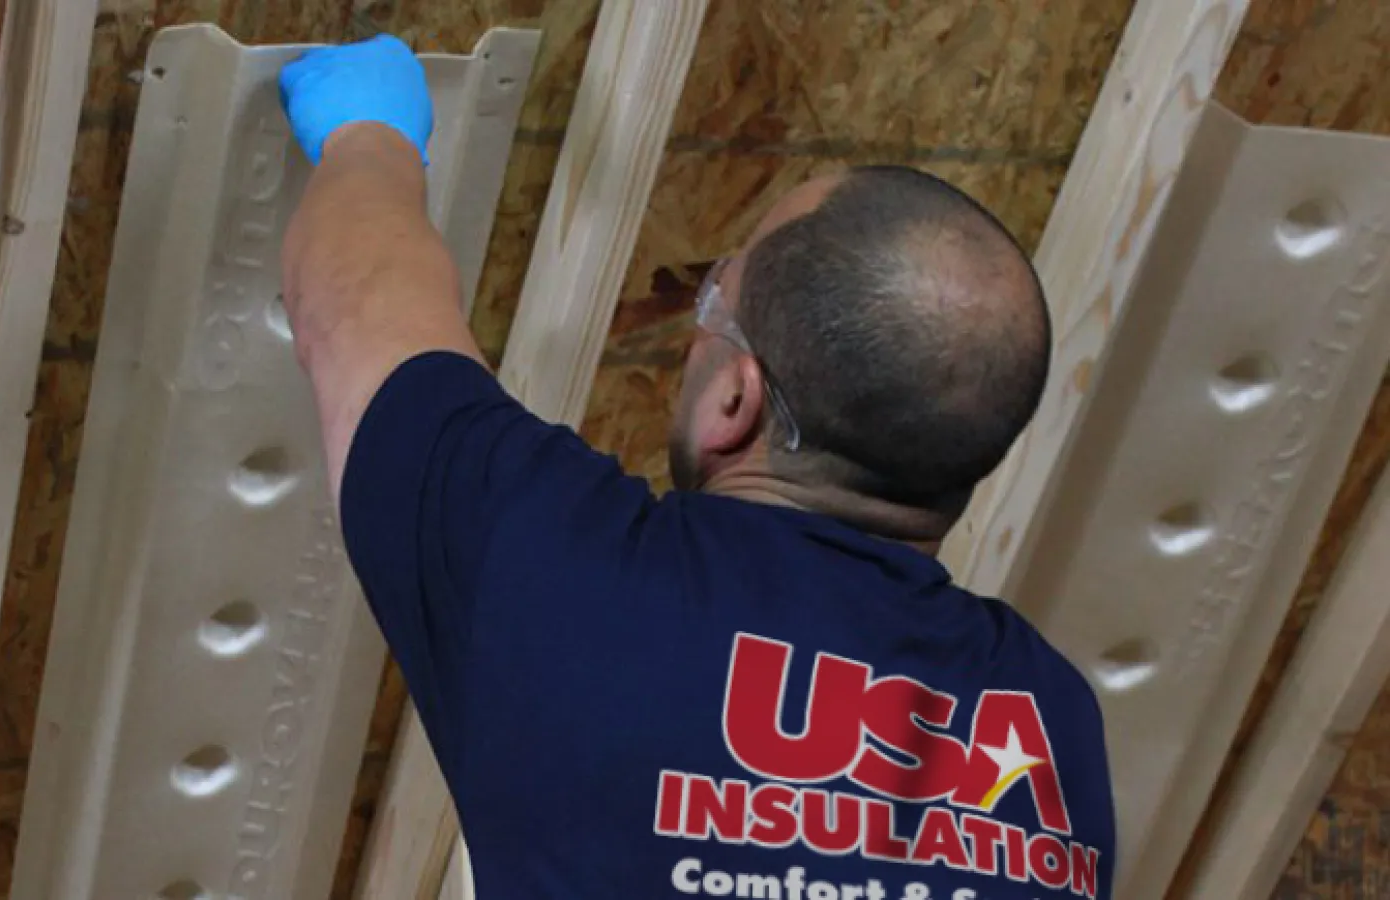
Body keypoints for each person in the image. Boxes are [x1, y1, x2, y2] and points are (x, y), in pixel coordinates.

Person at [278, 33, 1116, 900]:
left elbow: (353, 304)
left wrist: (367, 127)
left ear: (735, 402)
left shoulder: (564, 581)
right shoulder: (1051, 724)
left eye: (719, 299)